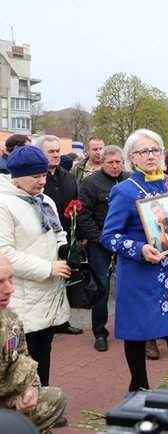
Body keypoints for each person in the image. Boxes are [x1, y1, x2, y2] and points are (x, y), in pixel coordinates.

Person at [101, 129, 168, 392]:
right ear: (132, 158)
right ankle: (138, 386)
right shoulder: (124, 191)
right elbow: (108, 236)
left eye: (155, 150)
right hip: (139, 273)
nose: (150, 156)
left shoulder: (166, 185)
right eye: (143, 152)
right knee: (137, 331)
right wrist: (139, 249)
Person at [0, 146, 71, 387]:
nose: (42, 181)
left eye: (44, 175)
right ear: (17, 176)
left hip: (48, 292)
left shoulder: (45, 200)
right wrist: (48, 268)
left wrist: (65, 250)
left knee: (44, 349)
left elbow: (57, 233)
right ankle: (24, 411)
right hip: (21, 294)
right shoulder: (3, 204)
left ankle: (43, 401)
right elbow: (4, 253)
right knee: (21, 357)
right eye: (36, 177)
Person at [0, 255, 68, 432]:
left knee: (55, 398)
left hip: (6, 398)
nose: (9, 289)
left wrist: (32, 386)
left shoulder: (10, 320)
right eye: (0, 282)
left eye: (10, 279)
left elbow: (22, 357)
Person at [77, 146, 129, 352]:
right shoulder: (90, 183)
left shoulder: (129, 179)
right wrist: (99, 237)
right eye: (111, 162)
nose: (115, 166)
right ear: (103, 163)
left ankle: (129, 326)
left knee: (128, 284)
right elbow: (83, 214)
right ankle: (100, 332)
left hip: (126, 241)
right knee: (102, 287)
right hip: (100, 243)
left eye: (118, 162)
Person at [35, 135, 83, 336]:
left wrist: (78, 234)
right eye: (51, 152)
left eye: (57, 151)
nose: (56, 155)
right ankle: (45, 322)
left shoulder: (67, 175)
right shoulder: (37, 177)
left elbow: (77, 203)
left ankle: (61, 320)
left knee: (64, 278)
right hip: (42, 237)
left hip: (66, 234)